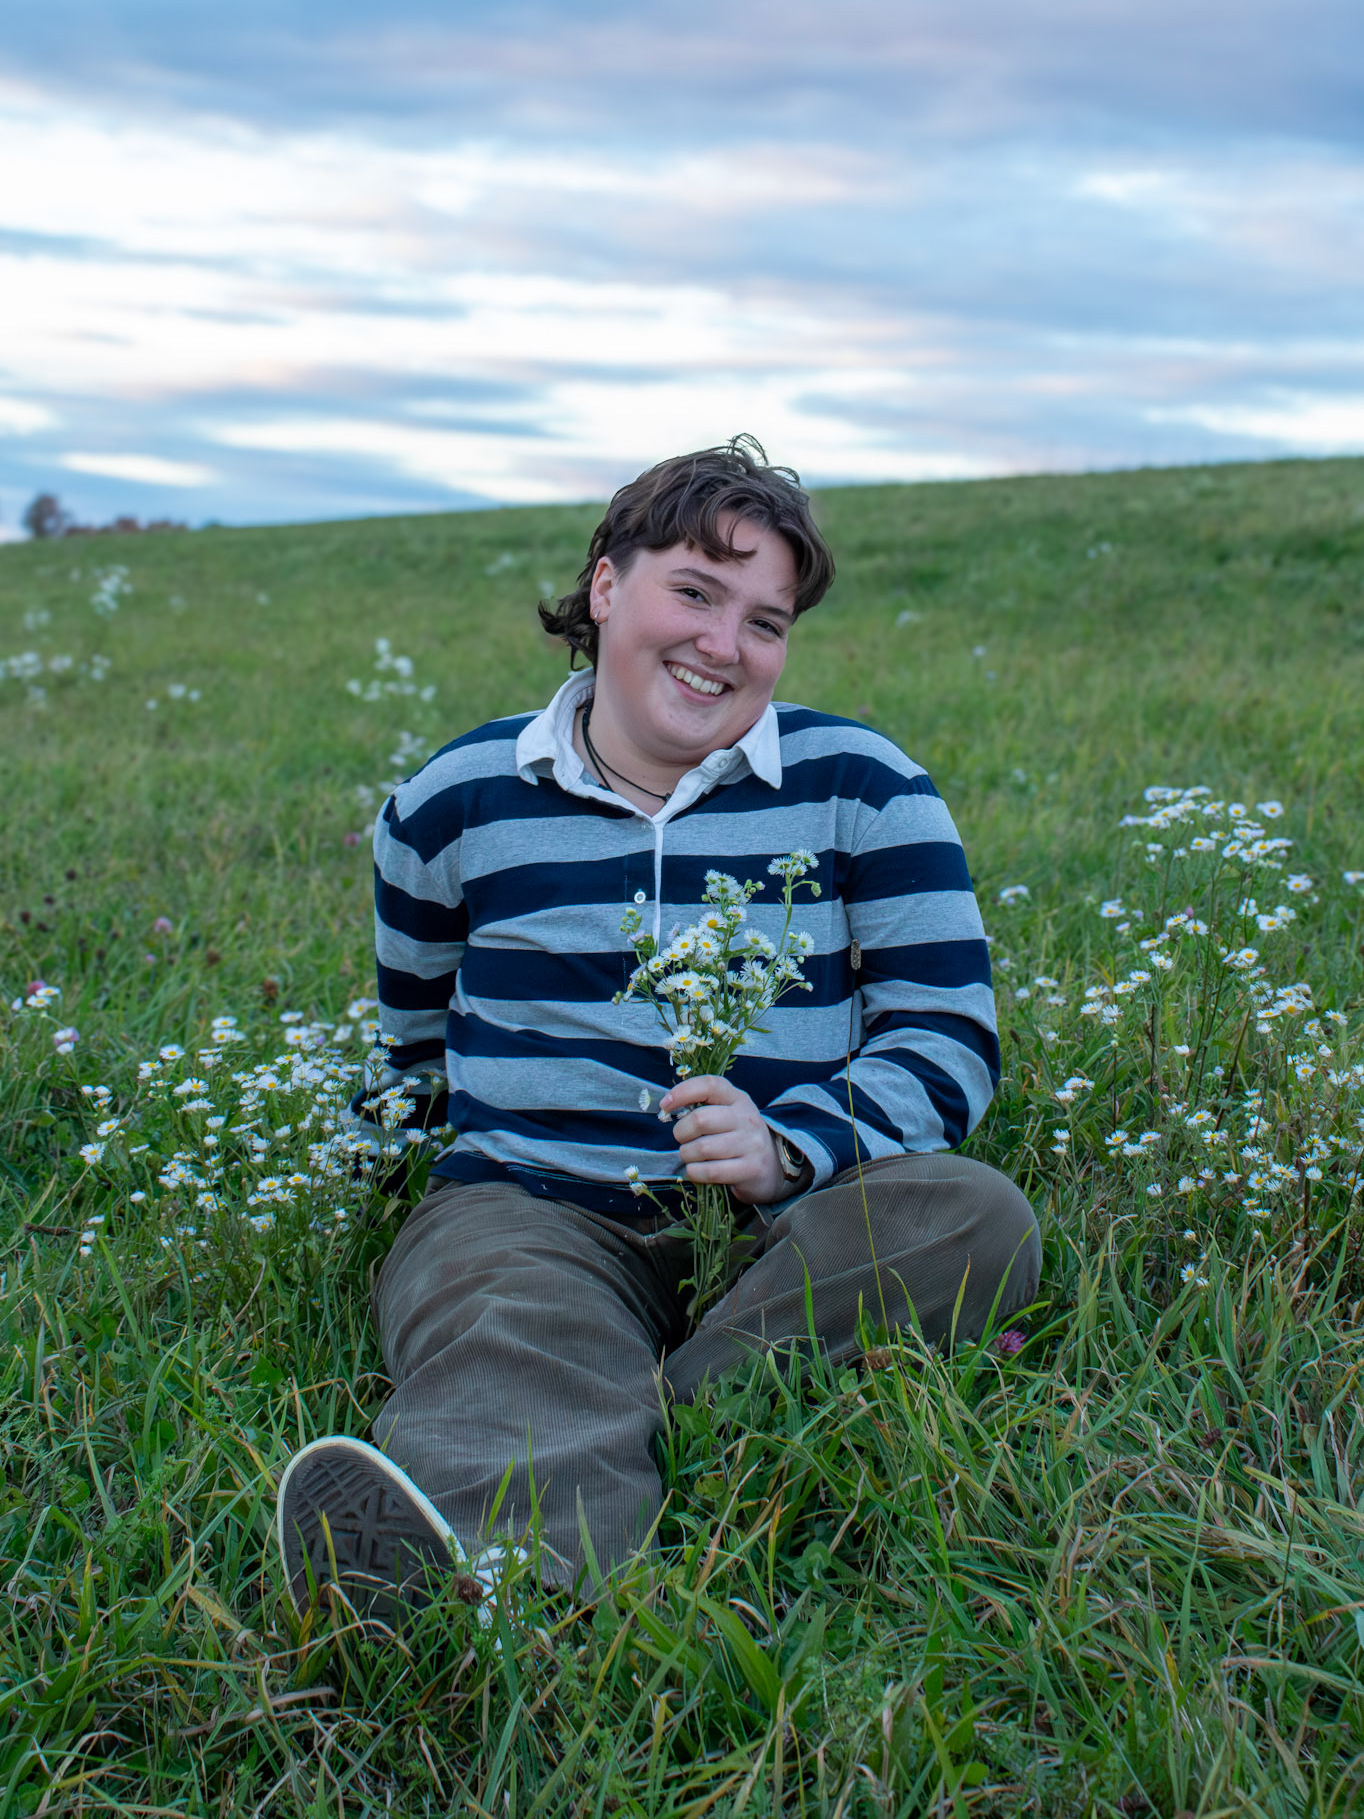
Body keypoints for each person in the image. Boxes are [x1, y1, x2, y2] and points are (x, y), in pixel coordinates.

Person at [276, 435, 1040, 1617]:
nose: (722, 645)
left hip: (783, 1226)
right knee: (504, 1310)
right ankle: (502, 1586)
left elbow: (947, 1031)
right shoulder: (454, 801)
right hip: (536, 1207)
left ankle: (626, 1399)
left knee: (974, 1218)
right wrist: (389, 1200)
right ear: (604, 586)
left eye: (763, 621)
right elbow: (412, 1040)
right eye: (694, 592)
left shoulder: (863, 786)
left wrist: (789, 1144)